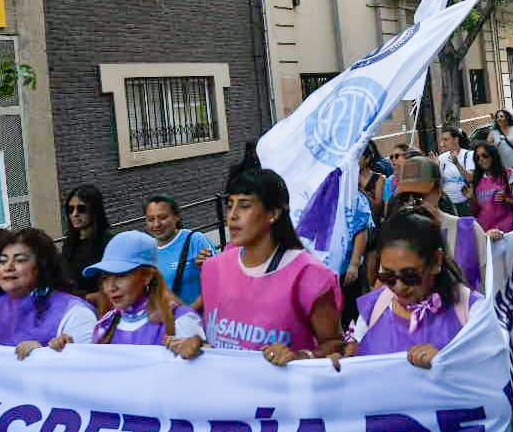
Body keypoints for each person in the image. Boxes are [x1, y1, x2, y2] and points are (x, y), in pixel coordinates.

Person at [189, 153, 343, 364]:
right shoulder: (213, 268)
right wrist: (194, 340)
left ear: (273, 213)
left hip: (283, 394)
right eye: (230, 205)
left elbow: (335, 345)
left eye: (244, 205)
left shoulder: (310, 275)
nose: (232, 215)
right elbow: (197, 322)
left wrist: (301, 356)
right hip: (224, 391)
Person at [346, 206, 481, 369]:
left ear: (436, 262)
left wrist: (450, 362)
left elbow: (492, 372)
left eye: (410, 276)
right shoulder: (374, 308)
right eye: (387, 276)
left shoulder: (473, 311)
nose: (399, 287)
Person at [47, 230, 204, 352]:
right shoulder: (105, 324)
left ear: (147, 276)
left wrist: (197, 348)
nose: (111, 287)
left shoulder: (180, 319)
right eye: (106, 277)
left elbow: (207, 372)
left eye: (121, 275)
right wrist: (69, 350)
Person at [0, 228, 100, 359]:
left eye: (19, 260)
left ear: (42, 265)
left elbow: (85, 367)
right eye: (3, 261)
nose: (8, 267)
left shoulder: (76, 313)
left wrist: (42, 355)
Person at [381, 156, 495, 294]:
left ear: (439, 190)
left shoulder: (469, 230)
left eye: (419, 196)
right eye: (406, 197)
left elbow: (490, 284)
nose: (412, 202)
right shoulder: (395, 236)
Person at [143, 195, 216, 309]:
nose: (156, 224)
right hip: (166, 324)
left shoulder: (195, 240)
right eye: (151, 219)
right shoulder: (146, 251)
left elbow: (217, 283)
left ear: (176, 217)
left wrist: (186, 315)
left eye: (162, 217)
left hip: (199, 321)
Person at [60, 184, 114, 301]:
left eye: (81, 209)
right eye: (70, 209)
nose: (74, 214)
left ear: (94, 210)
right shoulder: (69, 244)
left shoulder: (109, 244)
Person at [467, 142, 513, 234]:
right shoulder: (477, 180)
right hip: (485, 232)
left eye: (485, 156)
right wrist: (471, 198)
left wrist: (506, 199)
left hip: (505, 230)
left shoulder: (507, 174)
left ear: (493, 156)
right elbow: (475, 211)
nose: (481, 160)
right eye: (477, 158)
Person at [437, 127, 474, 217]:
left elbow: (470, 178)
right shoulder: (442, 158)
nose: (442, 144)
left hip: (465, 203)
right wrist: (436, 168)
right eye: (442, 140)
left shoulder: (469, 155)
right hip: (448, 204)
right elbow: (440, 183)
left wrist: (457, 163)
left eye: (446, 140)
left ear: (456, 139)